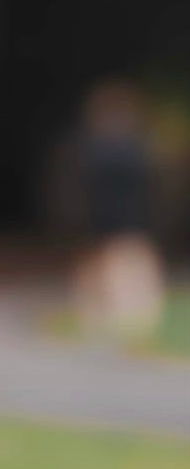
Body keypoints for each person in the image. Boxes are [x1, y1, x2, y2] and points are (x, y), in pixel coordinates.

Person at [68, 81, 166, 342]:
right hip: (122, 220)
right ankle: (124, 319)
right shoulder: (133, 148)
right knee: (123, 267)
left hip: (111, 220)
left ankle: (113, 319)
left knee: (117, 267)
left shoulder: (95, 147)